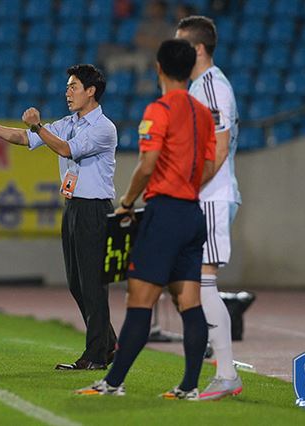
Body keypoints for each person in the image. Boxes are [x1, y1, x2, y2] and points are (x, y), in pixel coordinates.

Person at [75, 39, 216, 398]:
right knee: (190, 302)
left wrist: (126, 200)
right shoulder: (203, 112)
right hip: (192, 214)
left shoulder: (159, 109)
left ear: (158, 68)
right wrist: (187, 188)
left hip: (165, 213)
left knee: (139, 299)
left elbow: (147, 164)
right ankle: (188, 386)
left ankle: (112, 382)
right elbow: (212, 165)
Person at [0, 64, 118, 370]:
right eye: (67, 87)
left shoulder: (103, 128)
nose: (67, 92)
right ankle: (109, 344)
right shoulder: (69, 122)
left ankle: (95, 355)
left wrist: (39, 127)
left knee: (93, 284)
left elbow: (67, 150)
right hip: (74, 208)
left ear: (91, 91)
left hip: (94, 209)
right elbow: (25, 138)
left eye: (73, 86)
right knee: (77, 284)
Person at [176, 15, 243, 400]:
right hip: (205, 196)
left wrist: (187, 188)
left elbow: (217, 150)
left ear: (198, 49)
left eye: (181, 43)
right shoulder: (200, 86)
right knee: (195, 284)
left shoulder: (213, 88)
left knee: (204, 283)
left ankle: (227, 373)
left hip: (213, 197)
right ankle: (218, 369)